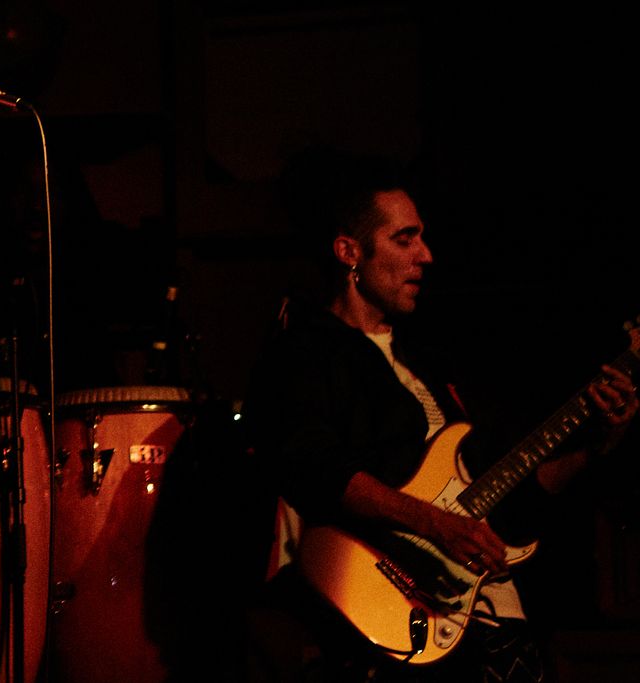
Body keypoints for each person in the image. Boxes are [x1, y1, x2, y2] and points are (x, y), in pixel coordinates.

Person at [244, 152, 637, 681]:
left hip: (491, 618)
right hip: (387, 611)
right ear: (349, 252)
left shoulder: (429, 361)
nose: (425, 256)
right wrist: (436, 524)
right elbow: (313, 467)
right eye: (404, 239)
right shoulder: (306, 351)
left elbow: (515, 495)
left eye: (423, 239)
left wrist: (599, 443)